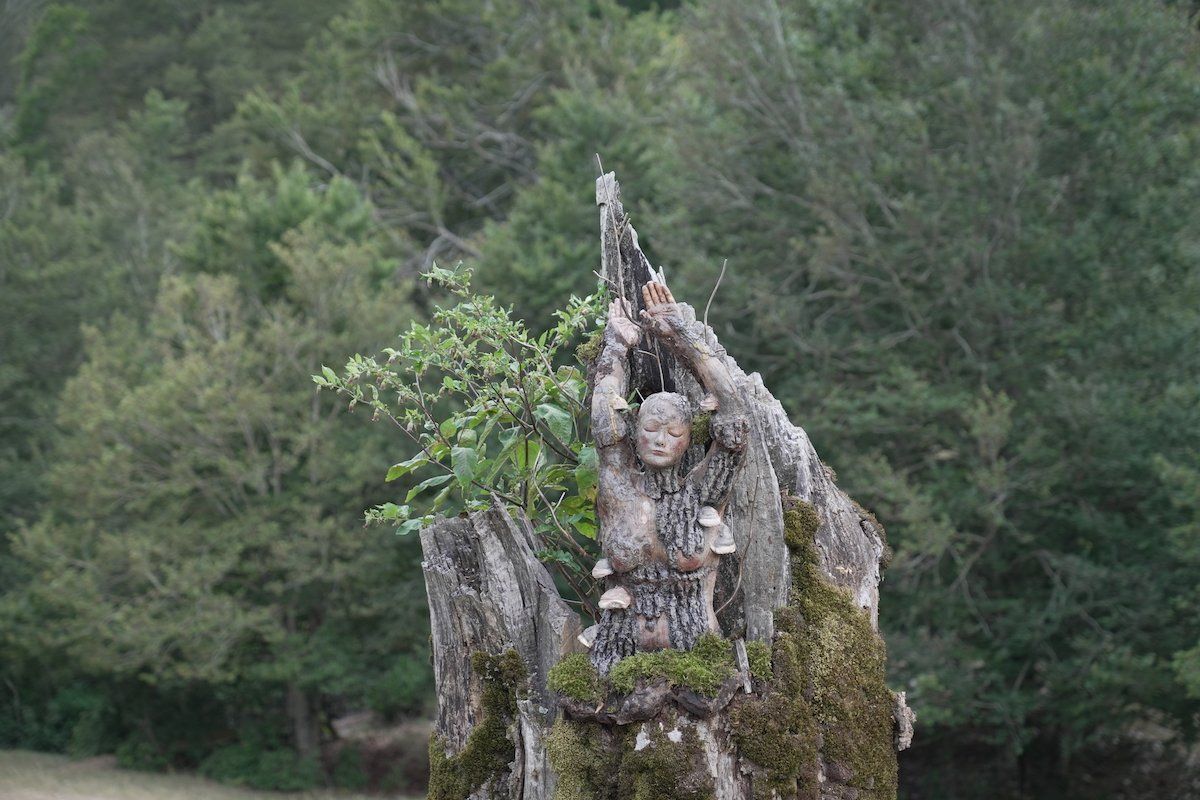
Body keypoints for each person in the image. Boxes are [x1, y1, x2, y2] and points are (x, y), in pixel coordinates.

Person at [585, 281, 748, 674]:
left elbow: (735, 417)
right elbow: (604, 418)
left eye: (674, 433)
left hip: (697, 662)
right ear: (634, 430)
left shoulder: (703, 491)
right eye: (651, 429)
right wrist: (616, 344)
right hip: (616, 657)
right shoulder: (618, 484)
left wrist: (681, 333)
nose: (660, 440)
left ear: (690, 439)